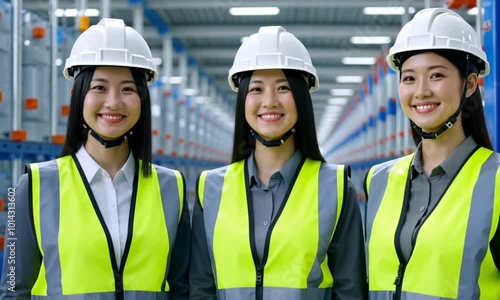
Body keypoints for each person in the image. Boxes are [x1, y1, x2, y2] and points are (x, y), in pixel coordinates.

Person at [0, 18, 190, 299]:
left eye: (127, 89)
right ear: (77, 96)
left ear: (143, 98)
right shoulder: (31, 187)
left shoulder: (172, 187)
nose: (113, 102)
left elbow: (182, 289)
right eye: (99, 87)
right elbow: (13, 289)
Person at [190, 26, 367, 299]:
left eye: (283, 88)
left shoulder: (336, 186)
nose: (269, 102)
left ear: (301, 98)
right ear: (243, 99)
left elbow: (350, 290)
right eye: (257, 89)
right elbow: (201, 288)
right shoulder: (211, 187)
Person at [364, 7, 500, 299]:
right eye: (409, 78)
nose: (421, 91)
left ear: (470, 84)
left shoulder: (497, 180)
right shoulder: (379, 180)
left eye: (436, 75)